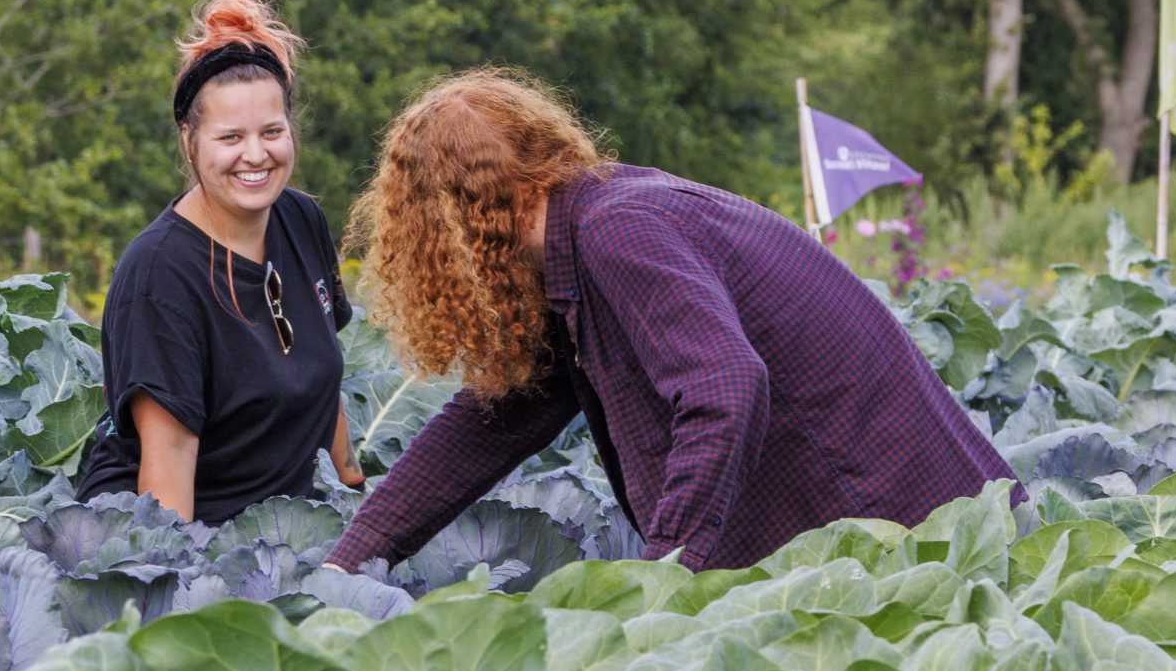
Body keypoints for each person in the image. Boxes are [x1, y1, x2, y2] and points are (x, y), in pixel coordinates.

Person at [324, 71, 1020, 576]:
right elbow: (488, 425)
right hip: (907, 527)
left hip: (912, 532)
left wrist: (665, 572)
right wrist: (346, 565)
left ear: (445, 230)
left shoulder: (617, 230)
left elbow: (725, 387)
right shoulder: (583, 235)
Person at [75, 0, 366, 524]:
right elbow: (168, 473)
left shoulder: (301, 219)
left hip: (285, 526)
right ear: (190, 140)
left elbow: (327, 392)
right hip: (199, 535)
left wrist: (356, 491)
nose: (256, 155)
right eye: (231, 137)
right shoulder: (160, 274)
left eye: (272, 132)